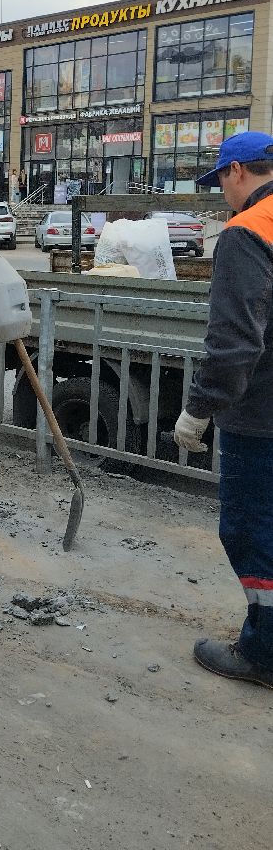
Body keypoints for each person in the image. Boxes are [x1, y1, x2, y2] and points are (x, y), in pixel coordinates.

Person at [174, 131, 273, 689]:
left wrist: (199, 409)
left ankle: (264, 652)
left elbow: (235, 343)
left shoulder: (248, 231)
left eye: (221, 183)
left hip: (262, 418)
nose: (223, 196)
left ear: (237, 171)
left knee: (252, 531)